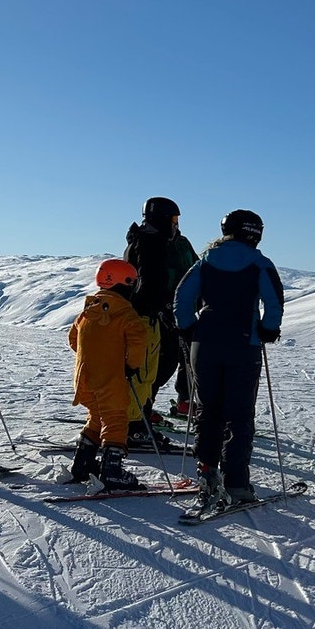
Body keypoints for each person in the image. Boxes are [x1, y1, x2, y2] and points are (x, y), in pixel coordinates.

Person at [173, 209, 284, 511]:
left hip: (204, 342)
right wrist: (268, 330)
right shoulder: (260, 263)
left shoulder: (205, 261)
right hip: (242, 344)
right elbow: (273, 301)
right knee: (239, 415)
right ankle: (236, 484)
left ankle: (207, 475)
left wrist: (189, 328)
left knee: (209, 411)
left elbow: (182, 299)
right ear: (254, 233)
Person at [66, 259, 151, 494]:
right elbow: (138, 340)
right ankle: (112, 472)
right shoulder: (124, 311)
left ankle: (82, 463)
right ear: (124, 283)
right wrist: (130, 365)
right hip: (110, 378)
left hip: (84, 378)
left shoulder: (88, 309)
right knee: (115, 419)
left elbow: (73, 339)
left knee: (96, 415)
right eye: (132, 282)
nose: (134, 287)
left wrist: (93, 356)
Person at [121, 196, 192, 449]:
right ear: (161, 219)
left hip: (157, 314)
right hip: (148, 316)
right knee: (150, 368)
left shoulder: (158, 241)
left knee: (159, 366)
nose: (176, 224)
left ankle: (140, 414)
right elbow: (147, 283)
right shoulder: (148, 243)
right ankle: (134, 422)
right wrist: (159, 307)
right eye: (173, 219)